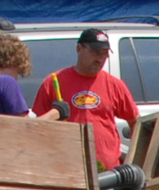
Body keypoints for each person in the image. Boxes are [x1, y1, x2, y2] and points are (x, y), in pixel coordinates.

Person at [37, 27, 139, 168]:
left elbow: (136, 122)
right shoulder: (53, 82)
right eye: (95, 52)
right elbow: (38, 127)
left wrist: (134, 158)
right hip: (67, 167)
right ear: (79, 49)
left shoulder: (115, 85)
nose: (100, 59)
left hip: (108, 172)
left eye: (104, 54)